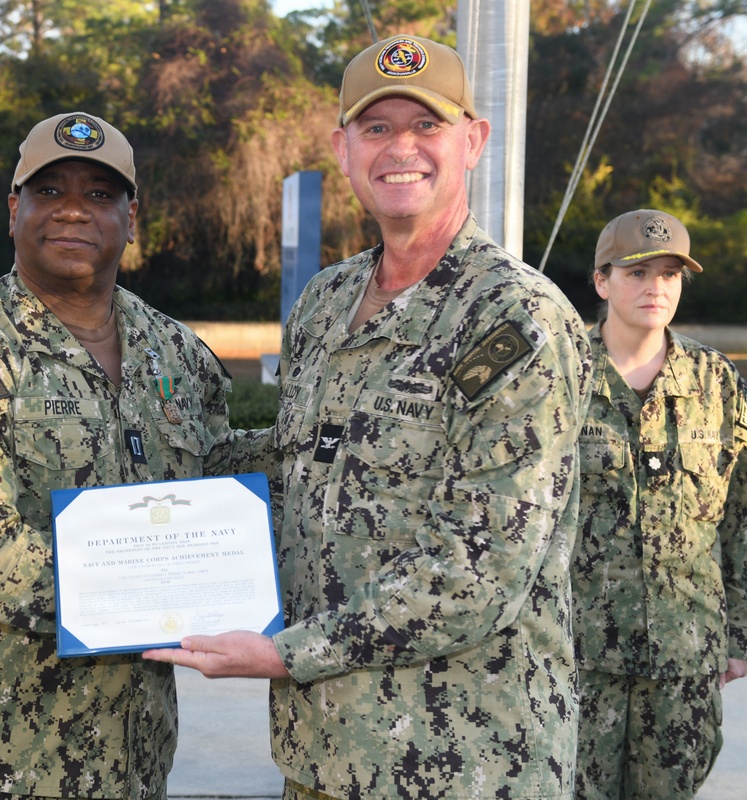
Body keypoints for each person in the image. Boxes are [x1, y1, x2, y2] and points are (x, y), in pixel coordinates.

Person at [144, 34, 593, 799]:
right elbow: (304, 466)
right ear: (343, 148)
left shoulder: (515, 320)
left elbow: (479, 569)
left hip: (465, 758)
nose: (401, 149)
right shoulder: (325, 303)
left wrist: (285, 654)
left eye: (427, 126)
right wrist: (148, 497)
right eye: (377, 128)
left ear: (474, 141)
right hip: (323, 753)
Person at [0, 111, 267, 799]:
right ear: (15, 211)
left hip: (135, 755)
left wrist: (324, 441)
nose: (73, 211)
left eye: (99, 194)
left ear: (132, 217)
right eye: (50, 191)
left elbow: (222, 486)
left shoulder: (178, 355)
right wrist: (153, 590)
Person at [570, 209, 747, 799]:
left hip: (685, 657)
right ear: (602, 281)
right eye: (637, 272)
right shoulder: (558, 375)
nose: (656, 287)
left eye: (671, 275)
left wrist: (739, 633)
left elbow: (743, 515)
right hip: (578, 654)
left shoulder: (718, 381)